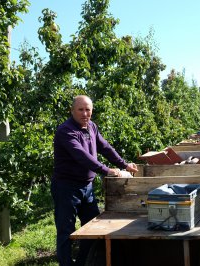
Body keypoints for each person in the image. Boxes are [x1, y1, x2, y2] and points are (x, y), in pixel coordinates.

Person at [51, 95, 138, 266]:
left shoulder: (91, 127)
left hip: (86, 187)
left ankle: (83, 262)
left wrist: (124, 165)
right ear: (72, 111)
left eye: (88, 109)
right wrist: (108, 171)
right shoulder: (66, 131)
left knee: (91, 228)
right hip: (66, 187)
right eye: (80, 109)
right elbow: (82, 157)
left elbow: (105, 147)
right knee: (65, 231)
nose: (85, 113)